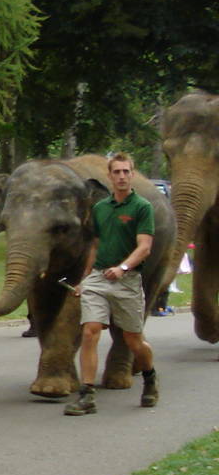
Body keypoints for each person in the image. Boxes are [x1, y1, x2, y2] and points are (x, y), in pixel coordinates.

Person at [65, 152, 158, 415]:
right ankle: (87, 395)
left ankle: (150, 378)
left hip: (127, 280)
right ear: (109, 176)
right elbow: (95, 245)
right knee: (90, 331)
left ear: (132, 174)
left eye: (126, 171)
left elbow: (145, 247)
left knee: (133, 341)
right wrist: (85, 279)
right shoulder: (100, 208)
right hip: (99, 278)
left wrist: (123, 267)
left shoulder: (142, 207)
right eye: (116, 172)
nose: (121, 176)